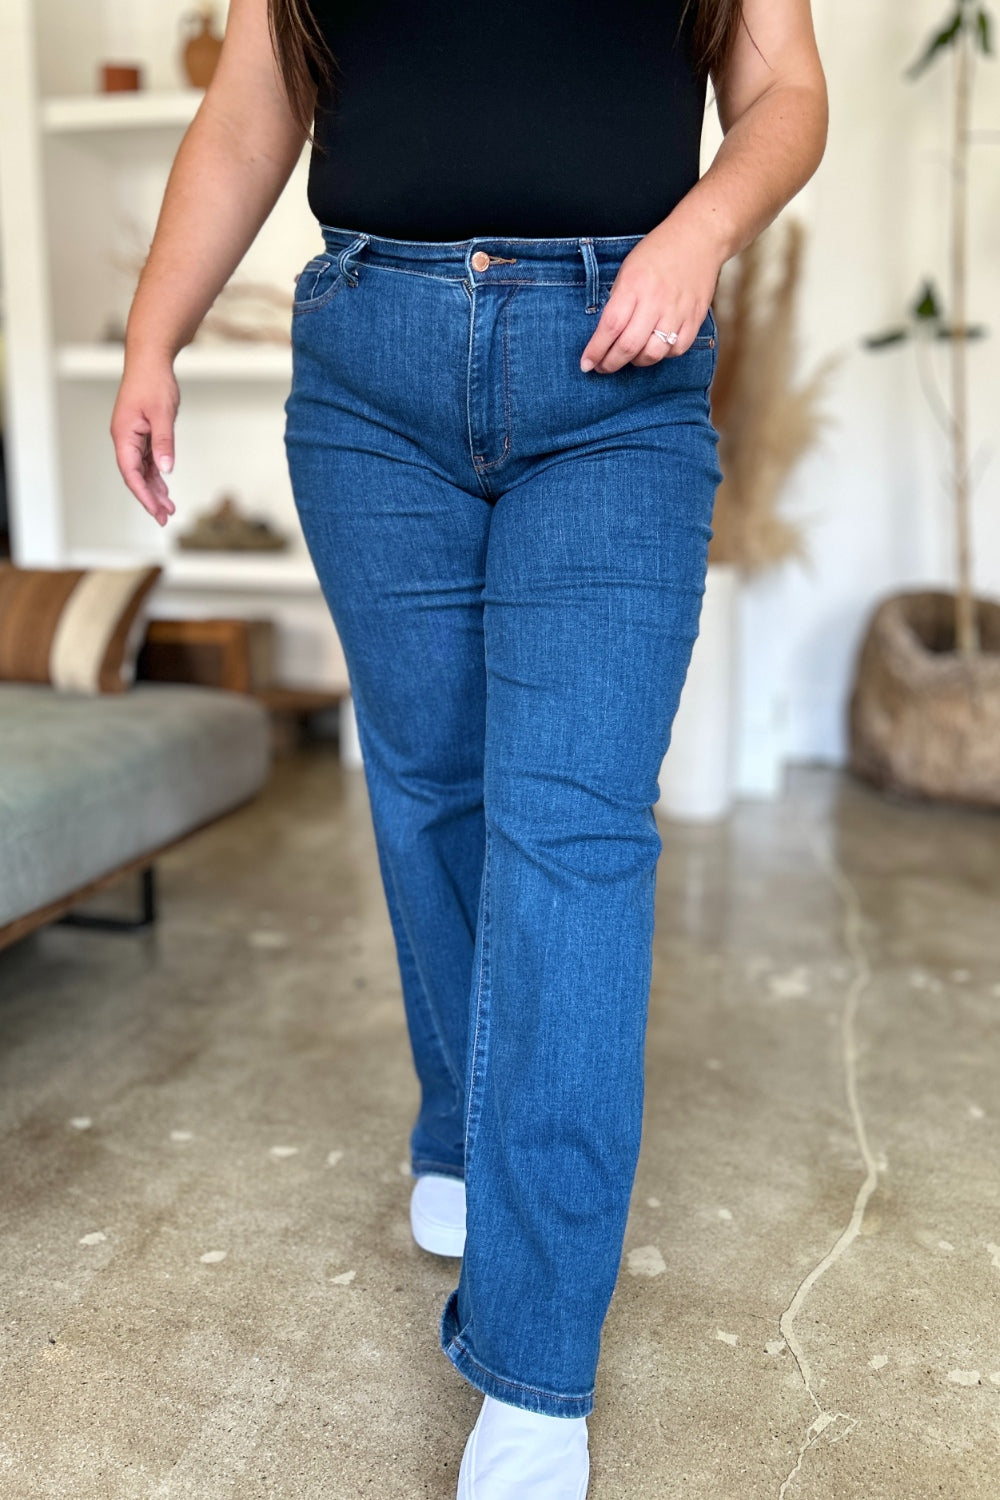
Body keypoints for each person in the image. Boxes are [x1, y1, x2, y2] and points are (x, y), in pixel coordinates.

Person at [111, 2, 827, 1494]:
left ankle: (536, 1362)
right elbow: (256, 102)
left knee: (569, 830)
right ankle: (458, 1122)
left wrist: (701, 228)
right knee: (432, 781)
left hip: (618, 362)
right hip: (372, 366)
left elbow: (785, 93)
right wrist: (151, 334)